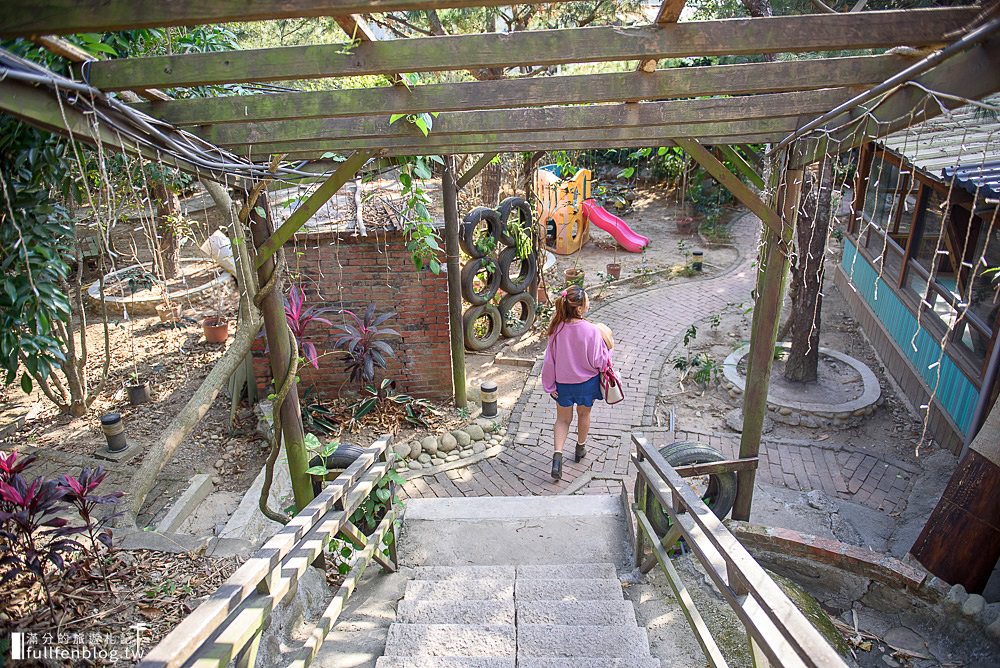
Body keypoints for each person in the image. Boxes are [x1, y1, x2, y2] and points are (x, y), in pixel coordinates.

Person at [541, 285, 614, 480]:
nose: (589, 303)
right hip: (587, 384)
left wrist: (550, 385)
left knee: (562, 420)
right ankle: (580, 448)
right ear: (580, 308)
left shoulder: (556, 329)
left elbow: (550, 360)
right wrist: (610, 351)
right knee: (584, 415)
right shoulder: (592, 331)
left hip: (563, 384)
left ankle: (557, 456)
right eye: (587, 301)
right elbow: (600, 361)